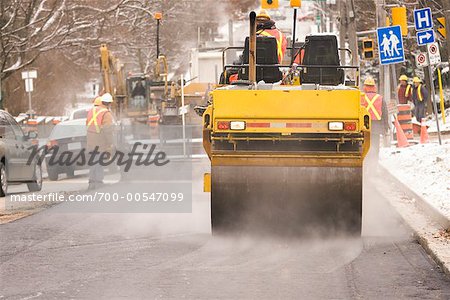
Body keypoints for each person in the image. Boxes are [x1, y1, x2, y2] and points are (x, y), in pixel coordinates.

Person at [86, 93, 115, 190]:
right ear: (109, 103)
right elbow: (108, 130)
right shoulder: (106, 113)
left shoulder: (91, 111)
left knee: (93, 162)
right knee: (98, 162)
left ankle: (92, 182)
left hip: (90, 141)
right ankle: (98, 182)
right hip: (100, 141)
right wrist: (110, 143)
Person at [360, 77, 387, 163]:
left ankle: (366, 161)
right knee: (375, 145)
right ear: (374, 87)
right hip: (377, 126)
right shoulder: (380, 98)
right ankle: (374, 162)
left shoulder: (361, 97)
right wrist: (386, 126)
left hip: (364, 125)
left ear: (365, 87)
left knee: (364, 145)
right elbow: (384, 113)